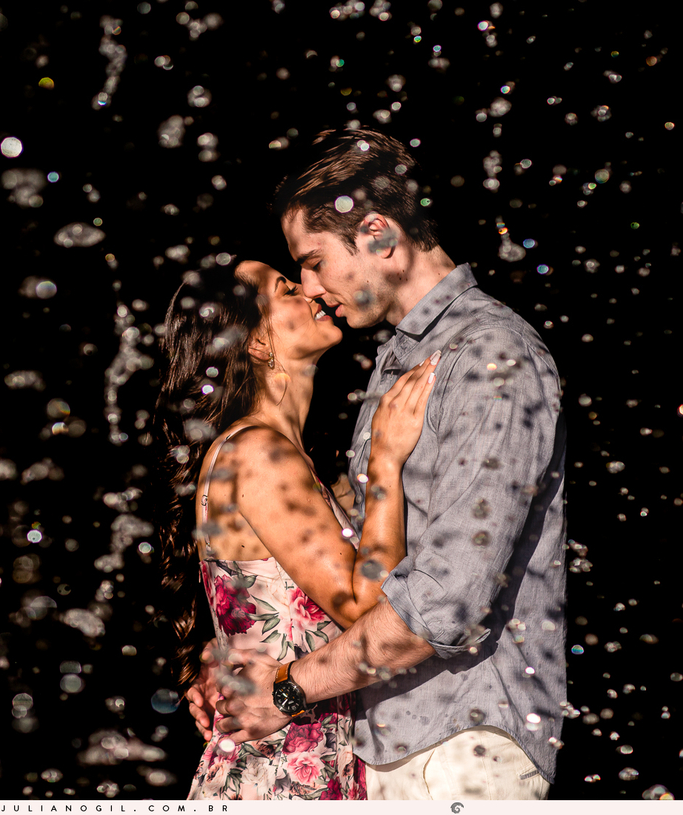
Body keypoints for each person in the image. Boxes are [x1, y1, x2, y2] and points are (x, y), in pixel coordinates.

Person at [189, 128, 567, 800]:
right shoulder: (396, 367)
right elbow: (344, 565)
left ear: (377, 235)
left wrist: (284, 685)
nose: (310, 285)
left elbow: (446, 601)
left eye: (310, 261)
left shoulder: (489, 353)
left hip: (460, 738)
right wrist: (236, 657)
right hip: (381, 742)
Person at [155, 257, 438, 799]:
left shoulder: (268, 454)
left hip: (294, 763)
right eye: (286, 288)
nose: (313, 291)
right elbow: (363, 603)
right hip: (281, 772)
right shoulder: (257, 453)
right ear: (257, 341)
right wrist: (386, 464)